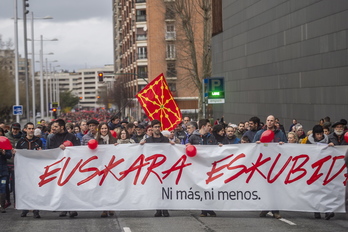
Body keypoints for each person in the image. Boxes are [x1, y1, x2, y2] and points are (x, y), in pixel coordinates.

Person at [254, 115, 286, 219]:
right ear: (266, 121)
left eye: (272, 120)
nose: (270, 122)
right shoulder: (259, 133)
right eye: (268, 120)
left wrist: (282, 144)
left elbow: (286, 146)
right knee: (265, 187)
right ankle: (266, 207)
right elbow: (252, 146)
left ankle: (275, 210)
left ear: (275, 122)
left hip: (276, 163)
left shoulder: (280, 133)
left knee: (275, 188)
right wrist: (257, 144)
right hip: (263, 163)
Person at [140, 119, 175, 217]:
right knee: (155, 190)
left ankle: (165, 208)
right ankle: (158, 209)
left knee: (164, 189)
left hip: (164, 168)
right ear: (151, 128)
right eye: (155, 127)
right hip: (153, 169)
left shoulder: (165, 140)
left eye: (158, 127)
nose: (157, 128)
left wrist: (173, 144)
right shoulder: (148, 141)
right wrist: (140, 145)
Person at [47, 119, 80, 218]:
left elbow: (78, 149)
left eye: (56, 127)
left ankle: (72, 208)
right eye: (53, 127)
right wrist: (59, 148)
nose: (54, 128)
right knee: (60, 187)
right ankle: (63, 208)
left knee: (71, 187)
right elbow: (50, 151)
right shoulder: (52, 138)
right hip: (59, 166)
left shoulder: (72, 137)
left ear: (62, 127)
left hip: (70, 166)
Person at [187, 119, 218, 217]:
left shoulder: (211, 136)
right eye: (208, 125)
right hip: (198, 167)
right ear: (203, 126)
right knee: (201, 188)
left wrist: (220, 147)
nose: (210, 127)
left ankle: (209, 207)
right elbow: (187, 148)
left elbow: (215, 148)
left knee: (210, 187)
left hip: (209, 166)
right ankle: (204, 209)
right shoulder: (193, 137)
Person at [15, 122, 43, 218]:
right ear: (25, 130)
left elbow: (43, 154)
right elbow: (16, 155)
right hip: (24, 170)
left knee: (36, 190)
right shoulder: (21, 141)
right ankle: (25, 209)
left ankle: (36, 210)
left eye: (32, 128)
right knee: (25, 189)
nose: (31, 130)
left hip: (35, 170)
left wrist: (41, 152)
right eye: (29, 128)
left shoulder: (38, 141)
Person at [305, 125, 332, 219]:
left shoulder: (327, 140)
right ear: (314, 134)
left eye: (321, 134)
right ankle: (316, 210)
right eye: (317, 134)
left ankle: (327, 211)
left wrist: (332, 146)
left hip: (325, 168)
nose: (320, 136)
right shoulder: (309, 141)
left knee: (325, 190)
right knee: (316, 190)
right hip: (314, 170)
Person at [95, 122, 117, 217]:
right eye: (102, 129)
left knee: (111, 187)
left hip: (111, 167)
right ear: (99, 130)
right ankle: (104, 208)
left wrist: (117, 146)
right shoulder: (96, 141)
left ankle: (111, 207)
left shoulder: (113, 140)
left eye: (105, 128)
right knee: (102, 188)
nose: (104, 130)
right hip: (101, 168)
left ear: (108, 129)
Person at [4, 122, 23, 210]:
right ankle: (7, 200)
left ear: (19, 129)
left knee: (16, 185)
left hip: (18, 163)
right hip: (7, 162)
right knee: (6, 184)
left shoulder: (22, 137)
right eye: (14, 129)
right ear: (11, 129)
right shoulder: (6, 136)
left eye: (16, 129)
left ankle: (16, 202)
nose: (15, 130)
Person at [0, 145, 12, 213]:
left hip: (3, 172)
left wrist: (4, 153)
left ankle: (2, 206)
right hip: (3, 171)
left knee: (3, 188)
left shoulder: (4, 145)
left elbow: (9, 155)